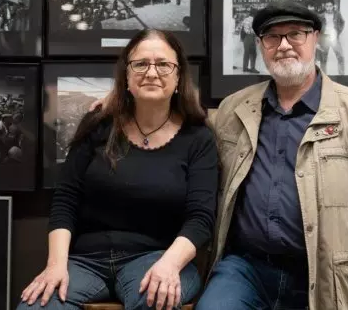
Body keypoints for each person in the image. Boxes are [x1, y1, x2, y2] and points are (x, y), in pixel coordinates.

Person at [91, 2, 348, 309]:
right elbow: (183, 114)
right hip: (245, 269)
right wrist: (125, 98)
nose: (283, 45)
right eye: (272, 37)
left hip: (322, 275)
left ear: (315, 39)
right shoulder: (234, 108)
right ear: (260, 45)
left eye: (295, 34)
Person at [19, 29, 219, 310]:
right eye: (140, 64)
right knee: (36, 306)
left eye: (163, 64)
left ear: (178, 78)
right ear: (126, 76)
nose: (152, 72)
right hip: (86, 261)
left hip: (157, 257)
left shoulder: (198, 139)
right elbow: (65, 200)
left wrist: (169, 265)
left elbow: (200, 219)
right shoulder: (98, 124)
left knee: (156, 302)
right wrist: (55, 266)